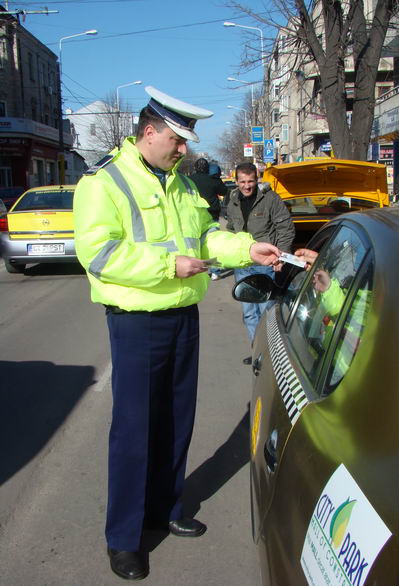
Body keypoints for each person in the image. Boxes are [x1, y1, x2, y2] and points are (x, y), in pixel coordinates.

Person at [73, 86, 280, 581]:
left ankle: (165, 509)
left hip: (183, 316)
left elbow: (206, 236)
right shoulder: (104, 182)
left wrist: (248, 248)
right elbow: (98, 253)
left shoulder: (182, 184)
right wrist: (169, 265)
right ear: (149, 132)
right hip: (137, 322)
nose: (184, 149)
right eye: (177, 140)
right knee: (134, 430)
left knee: (175, 421)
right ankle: (124, 537)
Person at [226, 162, 295, 364]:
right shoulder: (233, 200)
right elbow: (231, 228)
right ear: (236, 181)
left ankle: (271, 356)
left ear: (257, 180)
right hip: (242, 264)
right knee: (249, 313)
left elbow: (285, 228)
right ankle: (257, 352)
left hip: (266, 263)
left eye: (251, 181)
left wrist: (281, 256)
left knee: (267, 312)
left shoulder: (270, 198)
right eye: (242, 182)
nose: (247, 186)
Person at [189, 158, 227, 280]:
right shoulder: (213, 179)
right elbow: (224, 191)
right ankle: (215, 271)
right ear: (207, 168)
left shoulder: (188, 180)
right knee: (212, 246)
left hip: (193, 217)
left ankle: (196, 269)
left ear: (195, 168)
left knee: (193, 245)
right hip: (211, 217)